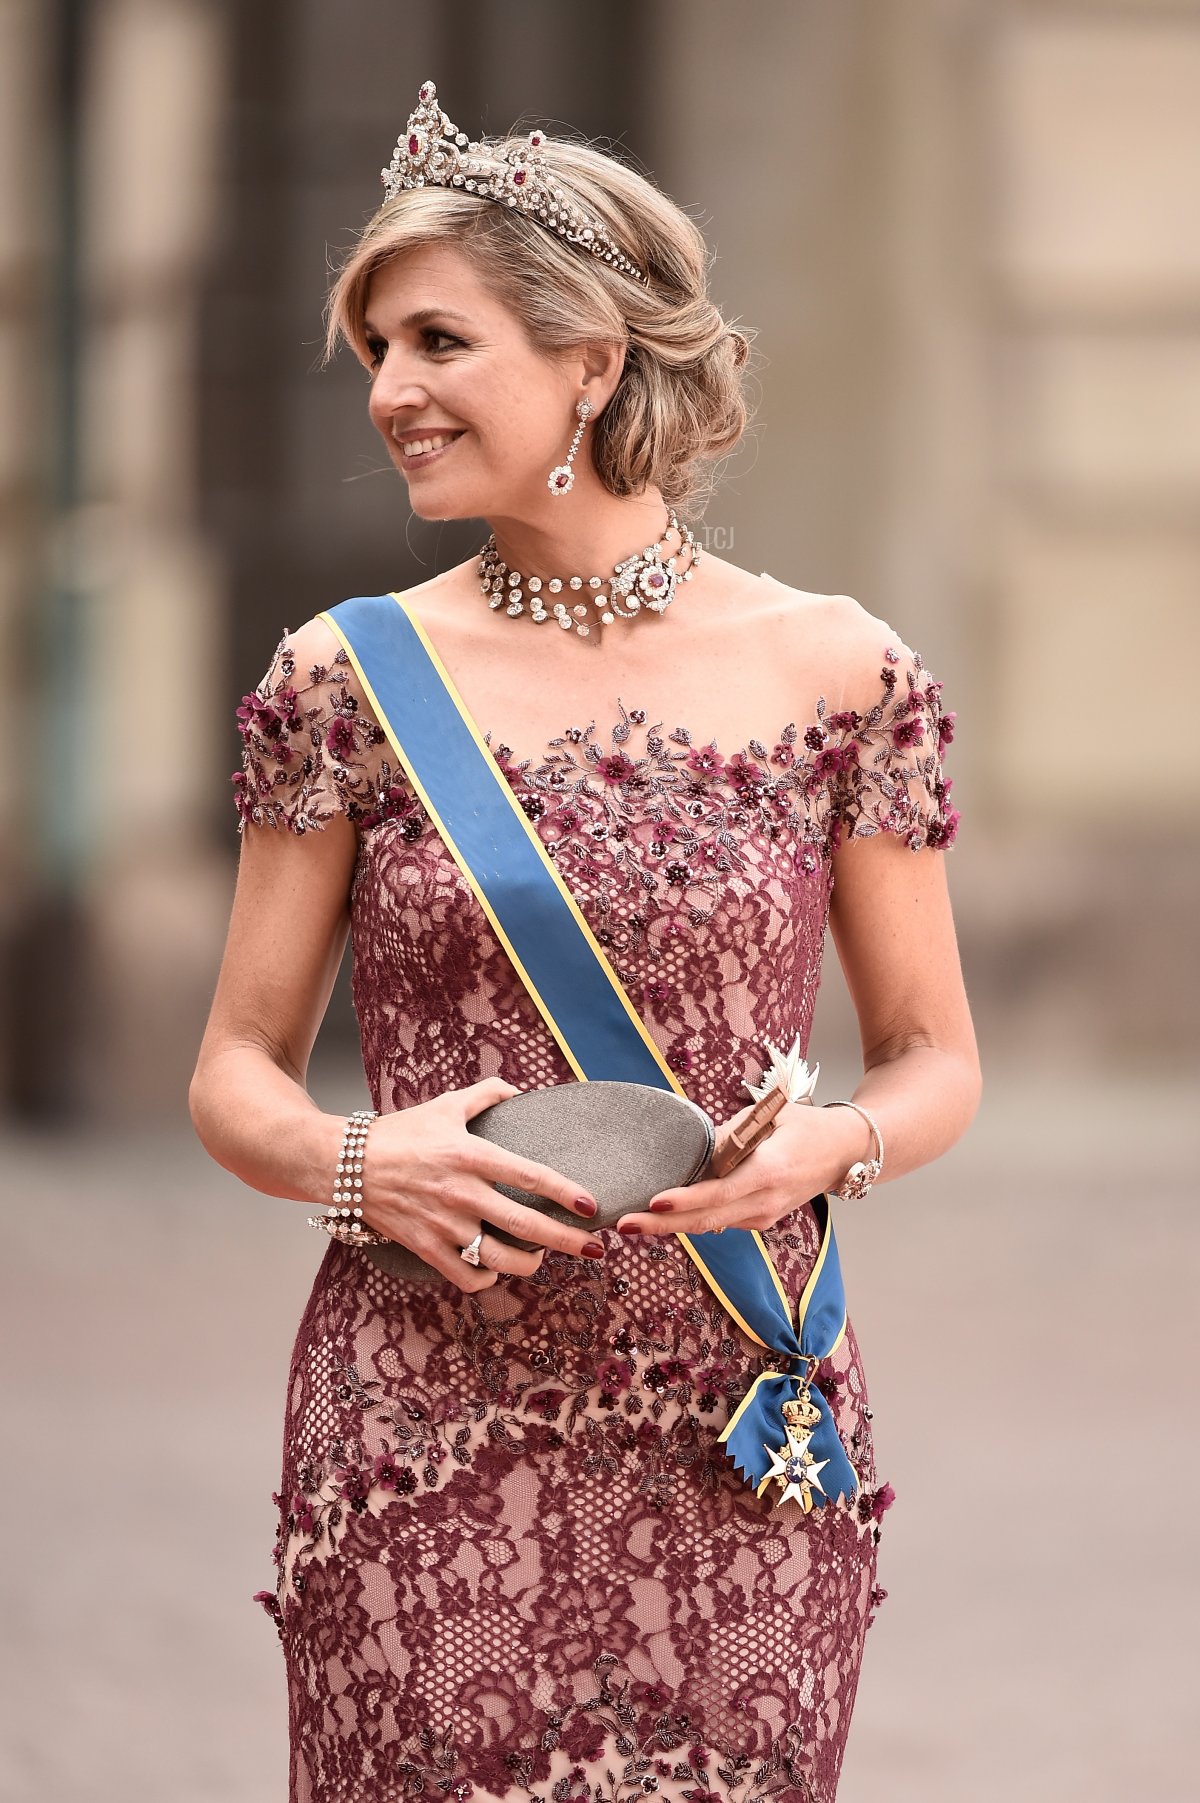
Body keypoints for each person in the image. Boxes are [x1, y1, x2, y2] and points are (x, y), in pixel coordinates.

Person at [190, 79, 980, 1803]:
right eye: (376, 347)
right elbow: (232, 1075)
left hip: (740, 1411)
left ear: (593, 364)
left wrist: (830, 1147)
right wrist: (354, 1163)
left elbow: (937, 1062)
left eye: (437, 341)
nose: (389, 391)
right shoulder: (345, 678)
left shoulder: (840, 672)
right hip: (421, 1421)